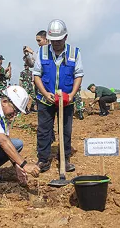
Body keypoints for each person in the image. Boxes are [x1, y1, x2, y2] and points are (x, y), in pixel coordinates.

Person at [33, 19, 84, 173]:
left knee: (66, 130)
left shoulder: (74, 53)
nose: (55, 43)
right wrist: (44, 93)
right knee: (44, 130)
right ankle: (43, 159)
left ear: (65, 37)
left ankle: (65, 159)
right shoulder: (42, 52)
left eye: (59, 40)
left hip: (66, 100)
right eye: (53, 40)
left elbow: (78, 75)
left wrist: (72, 94)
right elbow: (36, 75)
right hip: (45, 99)